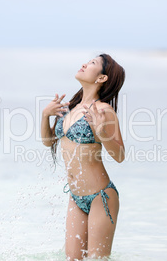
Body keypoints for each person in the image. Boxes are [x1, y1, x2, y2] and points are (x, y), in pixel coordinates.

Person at [41, 53, 125, 260]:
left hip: (101, 197)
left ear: (102, 78)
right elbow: (48, 141)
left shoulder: (104, 111)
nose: (84, 64)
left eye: (92, 63)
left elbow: (120, 155)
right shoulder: (69, 108)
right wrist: (45, 115)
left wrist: (102, 132)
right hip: (76, 197)